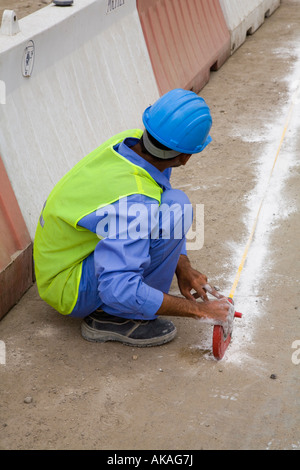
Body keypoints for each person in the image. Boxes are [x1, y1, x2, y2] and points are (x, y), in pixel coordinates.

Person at [33, 88, 231, 347]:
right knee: (174, 212)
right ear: (184, 158)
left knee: (174, 204)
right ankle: (117, 317)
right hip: (67, 285)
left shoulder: (131, 142)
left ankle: (121, 304)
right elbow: (119, 288)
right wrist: (200, 311)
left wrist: (182, 266)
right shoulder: (137, 199)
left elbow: (153, 203)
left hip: (59, 259)